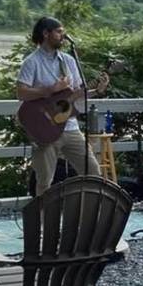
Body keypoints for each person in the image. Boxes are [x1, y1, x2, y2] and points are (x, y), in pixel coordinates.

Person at [17, 16, 109, 195]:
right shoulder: (31, 62)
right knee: (44, 182)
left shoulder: (68, 61)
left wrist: (96, 90)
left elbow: (74, 95)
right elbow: (21, 93)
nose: (63, 35)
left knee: (93, 173)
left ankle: (87, 218)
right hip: (45, 129)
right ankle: (42, 221)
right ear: (46, 33)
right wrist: (50, 90)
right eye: (59, 31)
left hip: (71, 127)